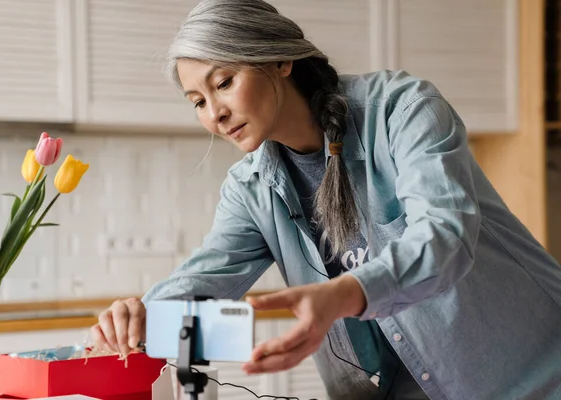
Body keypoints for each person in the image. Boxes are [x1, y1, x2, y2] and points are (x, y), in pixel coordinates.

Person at [90, 0, 561, 399]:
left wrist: (343, 294)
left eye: (224, 82)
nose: (215, 113)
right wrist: (142, 315)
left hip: (533, 379)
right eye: (197, 101)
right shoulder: (251, 186)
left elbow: (446, 238)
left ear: (279, 60)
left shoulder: (402, 109)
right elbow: (207, 276)